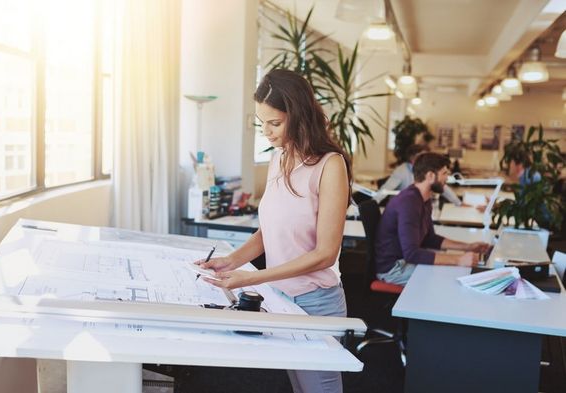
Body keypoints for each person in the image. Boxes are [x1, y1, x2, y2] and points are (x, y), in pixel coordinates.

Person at [198, 69, 351, 393]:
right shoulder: (279, 158)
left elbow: (325, 254)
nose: (266, 132)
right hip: (282, 299)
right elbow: (269, 231)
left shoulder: (330, 165)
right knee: (299, 387)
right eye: (261, 123)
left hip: (315, 304)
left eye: (275, 123)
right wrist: (232, 261)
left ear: (297, 116)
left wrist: (251, 278)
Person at [375, 152, 491, 285]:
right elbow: (411, 253)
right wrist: (458, 260)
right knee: (453, 277)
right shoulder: (408, 203)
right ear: (430, 176)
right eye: (444, 173)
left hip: (406, 261)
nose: (447, 178)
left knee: (455, 270)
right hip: (394, 269)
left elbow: (430, 238)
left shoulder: (423, 199)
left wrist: (468, 247)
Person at [375, 144, 463, 206]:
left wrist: (458, 203)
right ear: (413, 158)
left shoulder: (425, 169)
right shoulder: (401, 171)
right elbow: (385, 190)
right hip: (404, 207)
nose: (427, 159)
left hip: (420, 207)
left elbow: (442, 186)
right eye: (423, 156)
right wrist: (372, 206)